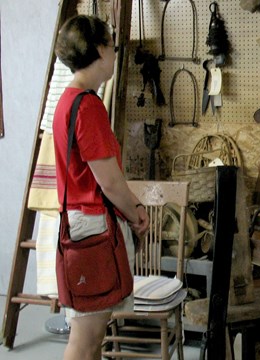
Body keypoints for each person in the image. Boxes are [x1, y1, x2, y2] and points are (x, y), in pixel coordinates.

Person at [52, 15, 149, 360]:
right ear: (98, 49)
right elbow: (108, 181)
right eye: (111, 45)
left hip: (80, 222)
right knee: (85, 341)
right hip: (92, 226)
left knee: (90, 340)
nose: (114, 53)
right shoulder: (88, 106)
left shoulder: (69, 100)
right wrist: (135, 209)